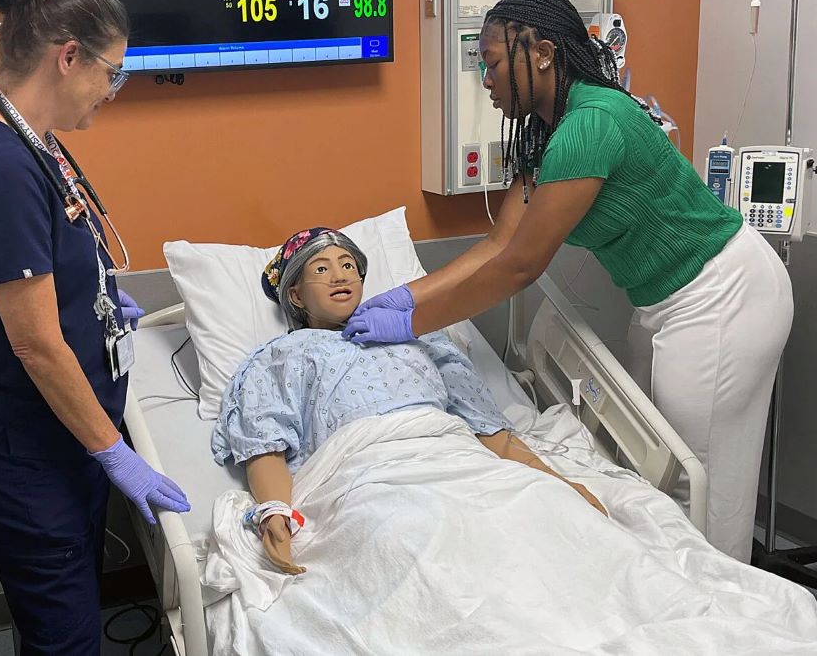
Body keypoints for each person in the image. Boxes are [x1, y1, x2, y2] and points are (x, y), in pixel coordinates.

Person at [341, 0, 792, 563]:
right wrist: (399, 296)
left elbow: (520, 266)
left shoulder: (592, 123)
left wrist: (413, 323)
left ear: (545, 54)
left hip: (723, 294)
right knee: (664, 467)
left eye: (494, 63)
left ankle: (728, 613)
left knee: (704, 485)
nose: (485, 79)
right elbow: (498, 243)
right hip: (666, 303)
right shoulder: (551, 132)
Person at [0, 0, 189, 653]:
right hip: (26, 453)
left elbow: (51, 268)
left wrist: (98, 300)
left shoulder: (35, 145)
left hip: (58, 440)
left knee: (58, 627)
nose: (113, 91)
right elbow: (36, 344)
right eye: (112, 73)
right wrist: (116, 453)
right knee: (65, 639)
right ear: (68, 57)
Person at [212, 228, 606, 574]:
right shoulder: (282, 355)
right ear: (295, 295)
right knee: (413, 542)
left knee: (536, 531)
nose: (339, 275)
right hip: (367, 474)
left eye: (348, 265)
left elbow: (490, 432)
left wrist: (557, 484)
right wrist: (275, 511)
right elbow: (266, 443)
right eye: (321, 269)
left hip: (451, 455)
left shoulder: (421, 337)